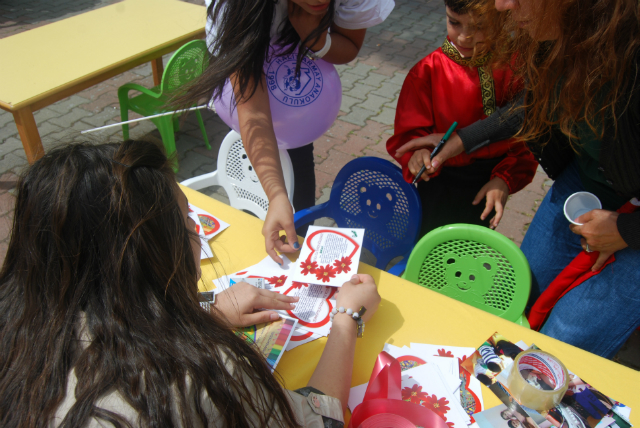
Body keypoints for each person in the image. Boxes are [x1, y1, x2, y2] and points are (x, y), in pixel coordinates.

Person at [0, 141, 381, 427]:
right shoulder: (199, 375)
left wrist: (204, 307)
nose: (197, 234)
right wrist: (347, 317)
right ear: (150, 262)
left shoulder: (18, 326)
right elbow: (316, 420)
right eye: (186, 226)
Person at [393, 0, 640, 358]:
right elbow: (534, 102)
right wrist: (462, 141)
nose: (502, 5)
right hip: (585, 185)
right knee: (517, 295)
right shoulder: (555, 36)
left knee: (562, 341)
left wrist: (627, 231)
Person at [177, 0, 394, 264]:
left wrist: (316, 40)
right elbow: (253, 113)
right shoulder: (233, 8)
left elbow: (349, 45)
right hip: (246, 81)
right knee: (267, 192)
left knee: (297, 189)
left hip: (295, 113)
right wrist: (276, 194)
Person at [386, 0, 536, 236]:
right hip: (438, 182)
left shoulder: (516, 66)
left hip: (486, 184)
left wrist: (505, 180)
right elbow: (411, 134)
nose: (465, 36)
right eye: (454, 22)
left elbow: (527, 132)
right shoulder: (427, 71)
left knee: (468, 254)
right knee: (427, 248)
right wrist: (418, 156)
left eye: (479, 26)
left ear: (503, 18)